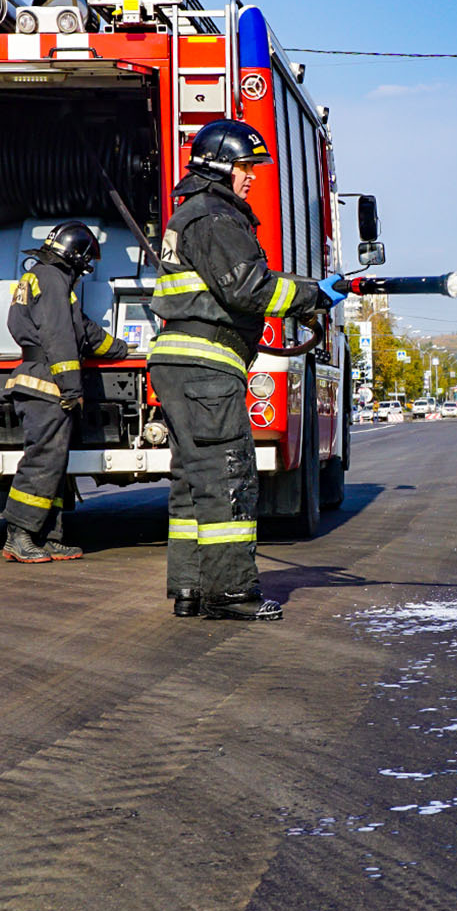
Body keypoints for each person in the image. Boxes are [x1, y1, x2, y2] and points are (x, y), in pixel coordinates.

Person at [148, 118, 347, 621]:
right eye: (245, 166)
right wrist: (313, 294)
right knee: (229, 476)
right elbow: (249, 289)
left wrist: (303, 297)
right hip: (206, 365)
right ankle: (232, 594)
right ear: (219, 166)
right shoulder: (215, 217)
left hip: (185, 364)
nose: (251, 176)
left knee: (194, 481)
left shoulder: (194, 214)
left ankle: (192, 590)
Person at [1, 221, 130, 563]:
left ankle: (46, 535)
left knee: (54, 464)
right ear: (75, 256)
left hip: (42, 381)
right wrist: (72, 388)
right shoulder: (52, 279)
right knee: (42, 460)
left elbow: (83, 330)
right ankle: (19, 534)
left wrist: (120, 348)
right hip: (47, 384)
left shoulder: (46, 278)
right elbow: (60, 336)